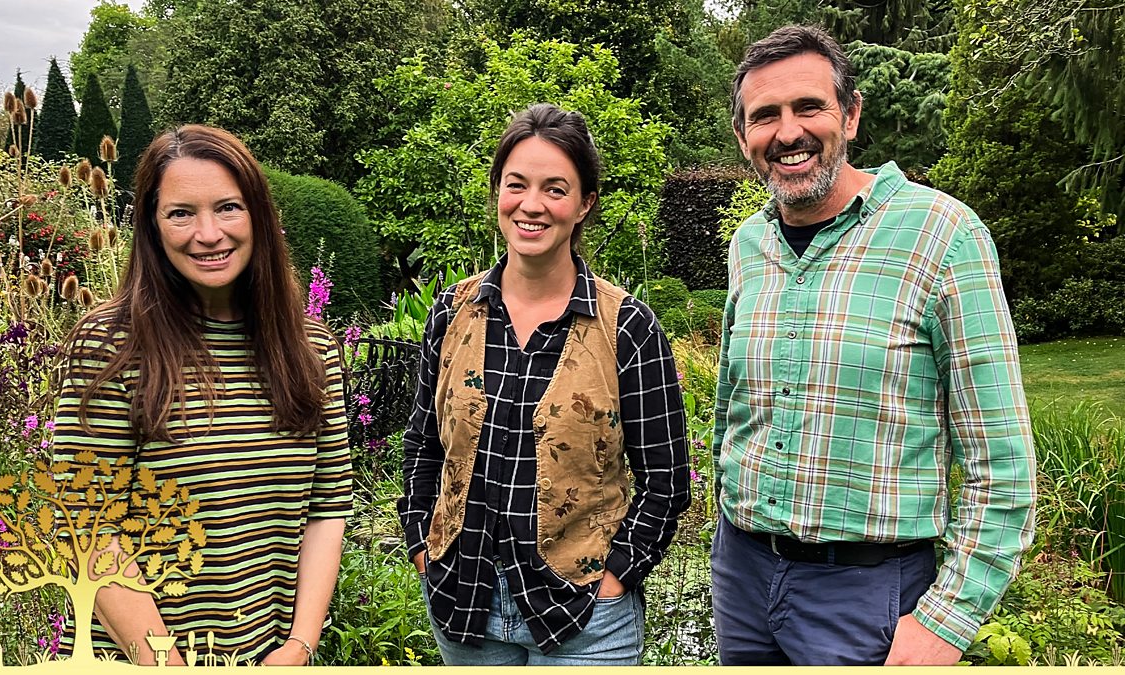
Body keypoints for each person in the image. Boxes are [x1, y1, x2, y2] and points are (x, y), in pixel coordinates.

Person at [711, 25, 1036, 666]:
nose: (787, 132)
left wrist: (947, 621)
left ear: (851, 114)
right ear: (744, 136)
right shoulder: (749, 244)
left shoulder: (943, 234)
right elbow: (731, 405)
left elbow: (1000, 459)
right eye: (765, 116)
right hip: (742, 576)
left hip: (866, 596)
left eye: (809, 106)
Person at [397, 103, 691, 665]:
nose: (531, 204)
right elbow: (423, 443)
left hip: (585, 619)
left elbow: (667, 479)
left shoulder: (626, 327)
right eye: (517, 185)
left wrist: (617, 575)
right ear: (498, 193)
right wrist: (420, 544)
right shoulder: (453, 312)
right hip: (463, 603)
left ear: (584, 204)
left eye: (555, 189)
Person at [52, 125, 352, 666]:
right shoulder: (112, 346)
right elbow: (87, 526)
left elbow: (325, 509)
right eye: (180, 213)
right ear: (152, 226)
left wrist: (298, 646)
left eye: (228, 208)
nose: (208, 234)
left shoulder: (311, 349)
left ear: (259, 216)